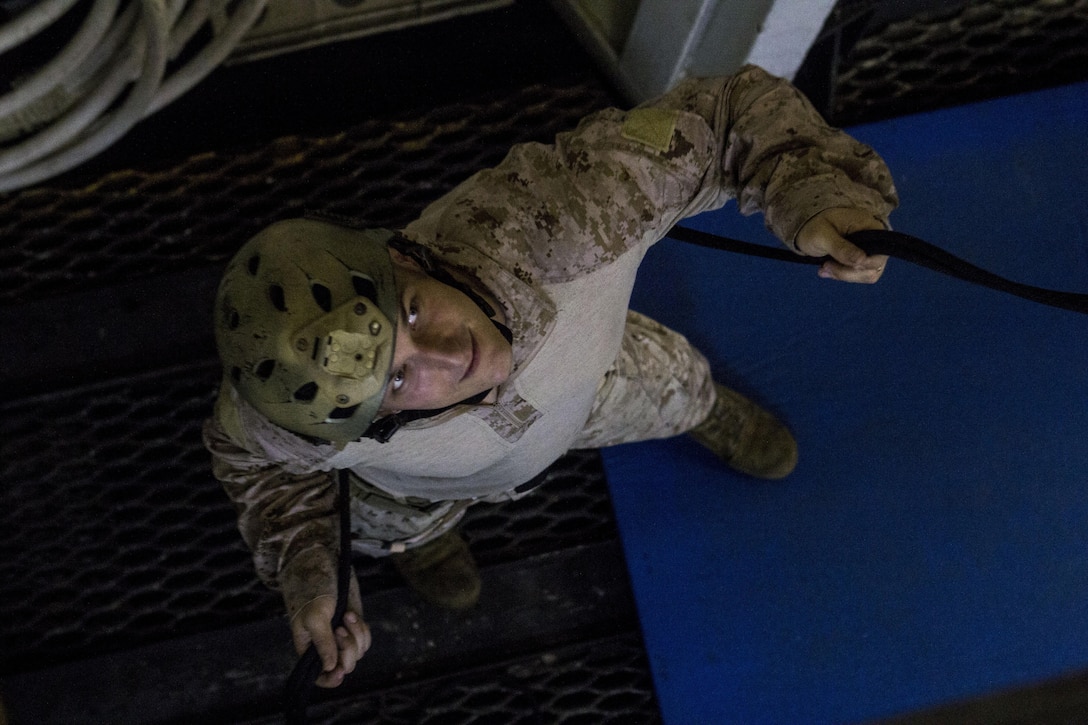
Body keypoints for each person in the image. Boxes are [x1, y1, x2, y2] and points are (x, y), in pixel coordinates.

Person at [203, 64, 897, 688]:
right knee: (389, 525)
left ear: (399, 256)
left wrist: (815, 188)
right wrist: (310, 571)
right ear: (363, 423)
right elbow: (253, 463)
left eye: (410, 313)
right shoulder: (290, 418)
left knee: (677, 382)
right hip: (416, 476)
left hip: (583, 378)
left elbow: (724, 117)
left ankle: (703, 408)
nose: (450, 358)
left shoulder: (565, 218)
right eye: (395, 382)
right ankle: (426, 539)